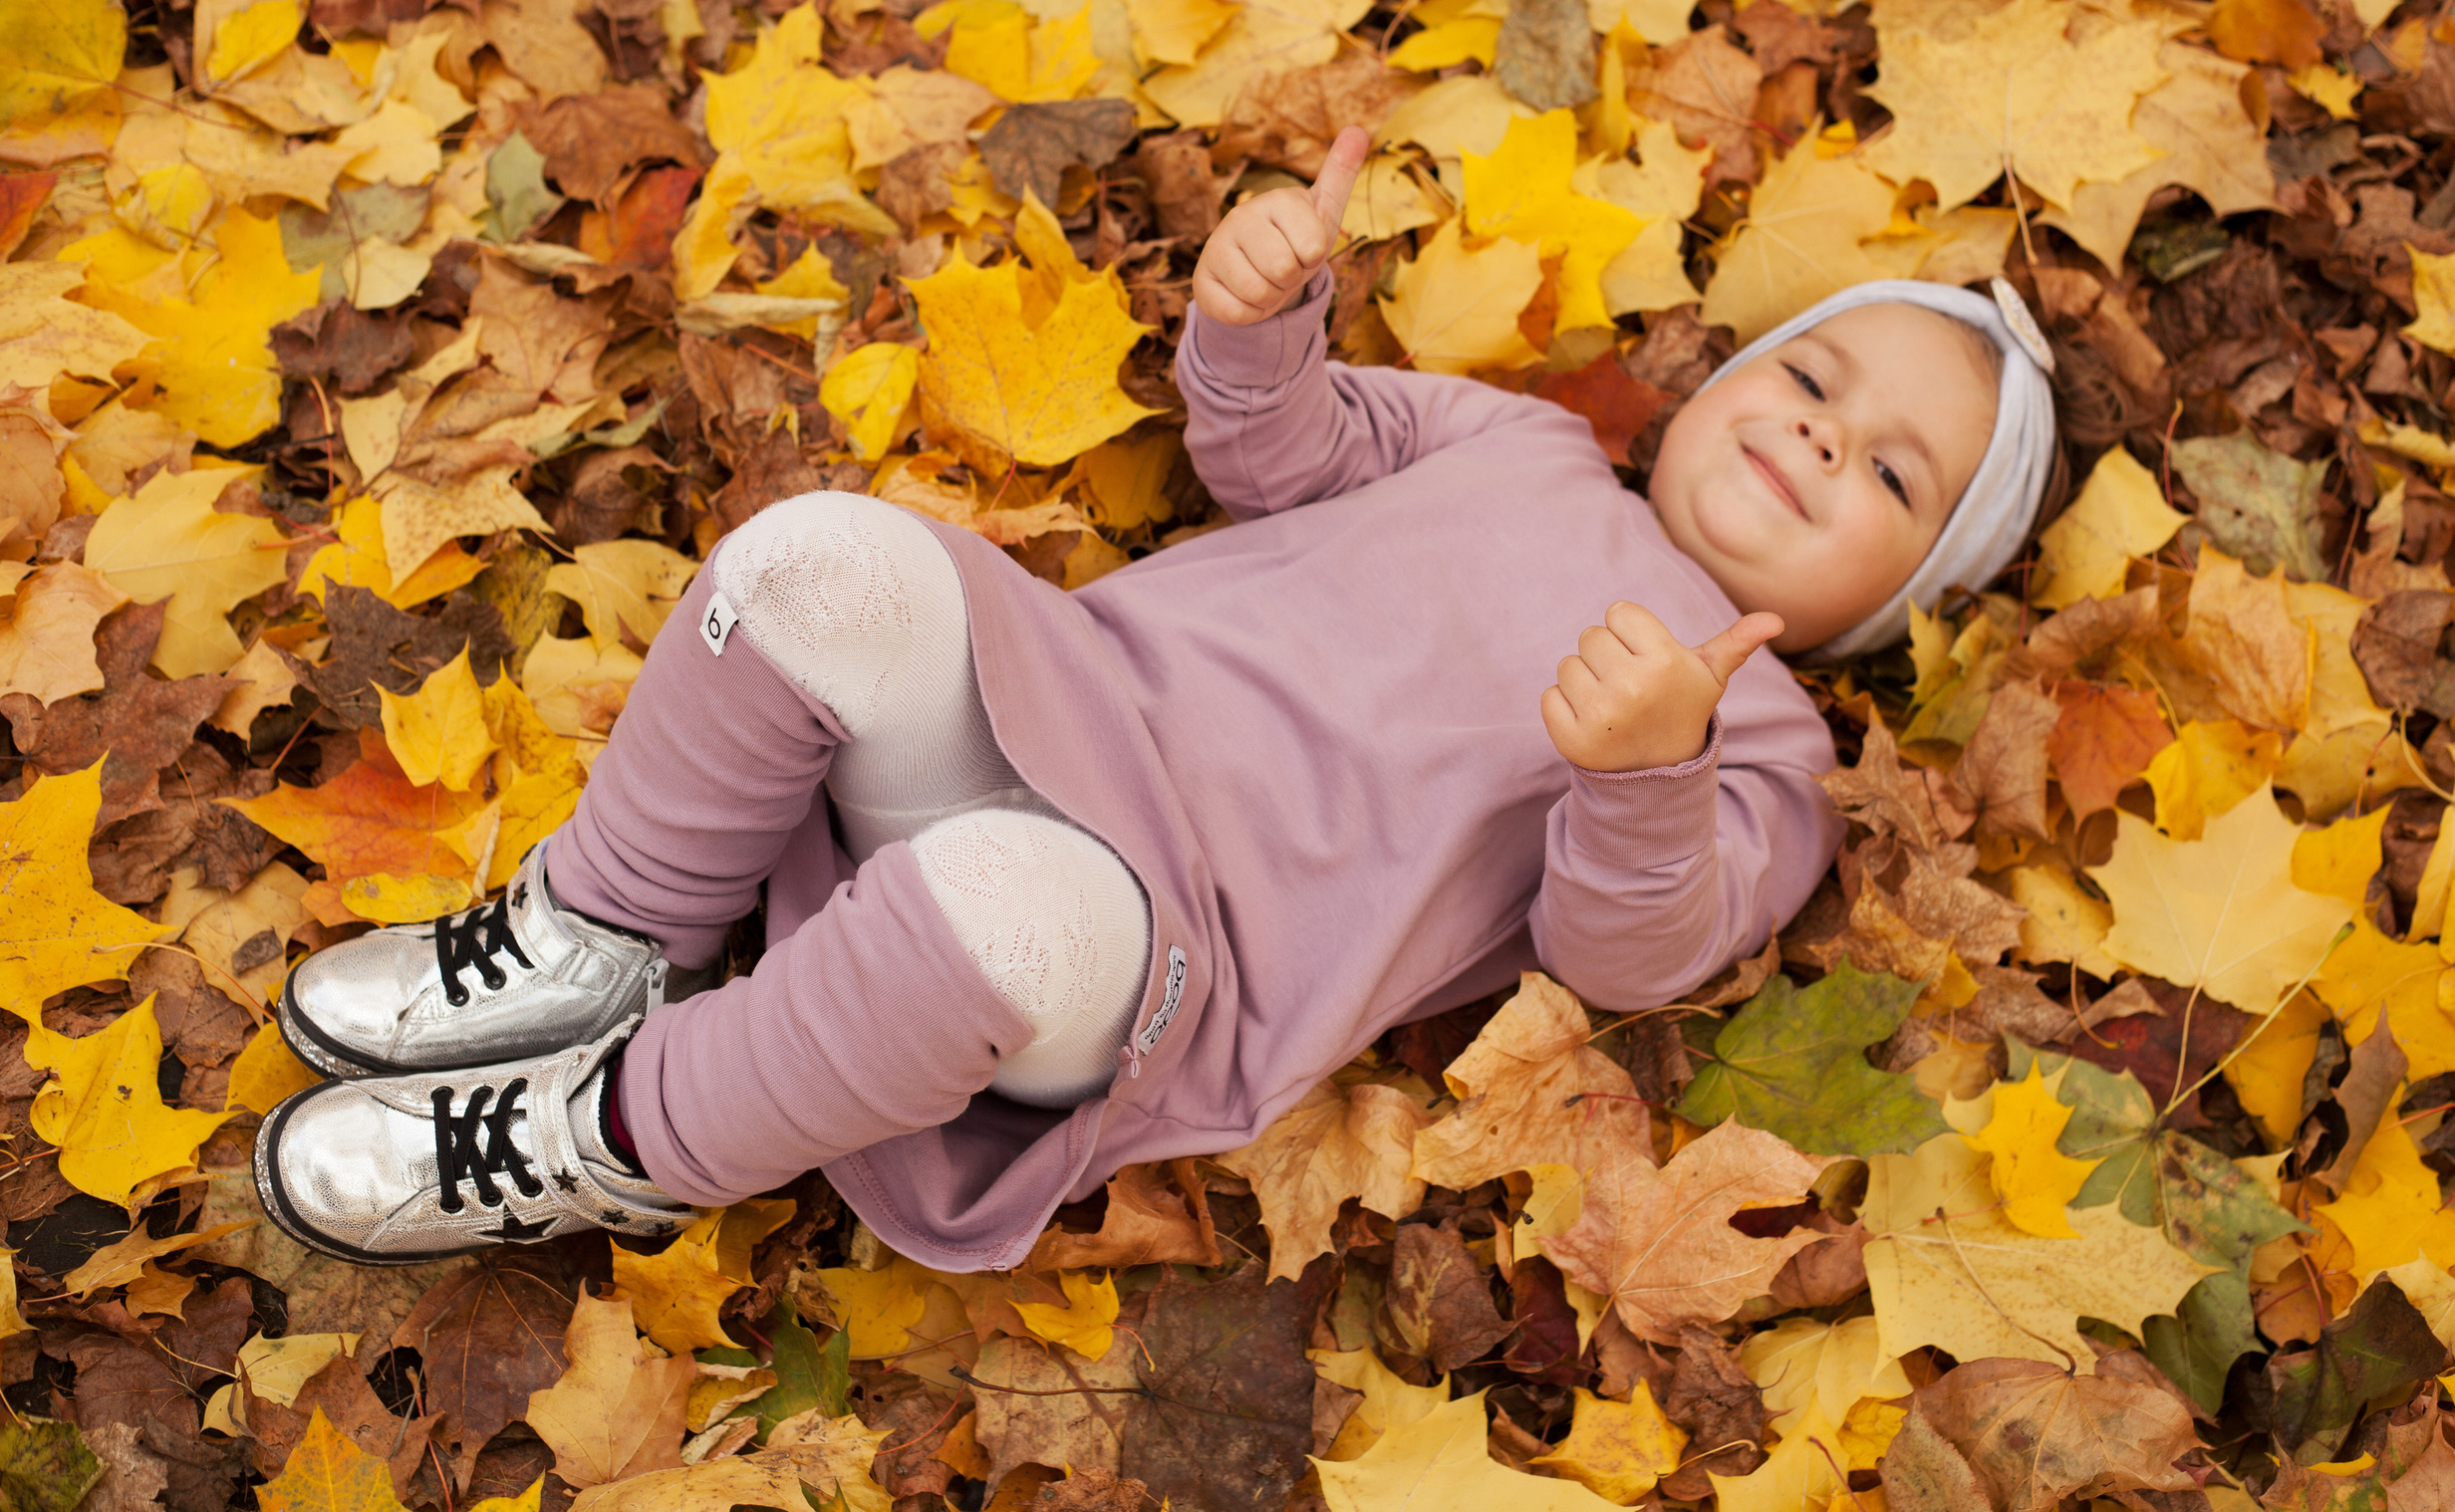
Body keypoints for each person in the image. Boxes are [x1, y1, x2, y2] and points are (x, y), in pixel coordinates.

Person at [251, 126, 2058, 1268]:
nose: (1828, 432)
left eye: (1895, 479)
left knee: (1015, 911)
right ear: (1735, 374)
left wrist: (1645, 776)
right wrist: (1259, 324)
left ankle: (611, 1135)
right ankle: (604, 928)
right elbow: (1279, 454)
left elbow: (1627, 956)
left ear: (1893, 603)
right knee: (832, 559)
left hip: (1155, 950)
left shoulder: (1762, 745)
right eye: (1818, 374)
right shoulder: (1519, 442)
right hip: (1049, 708)